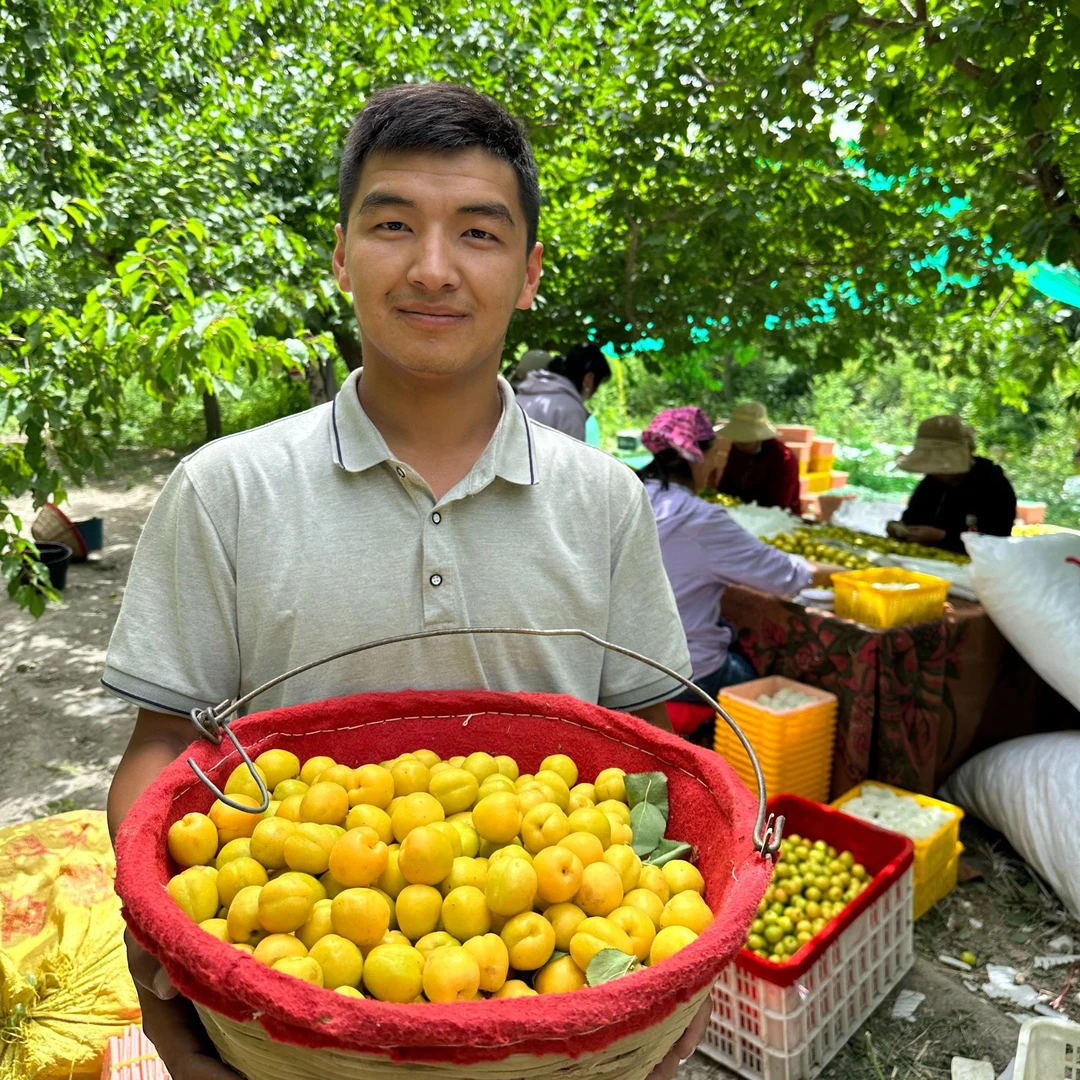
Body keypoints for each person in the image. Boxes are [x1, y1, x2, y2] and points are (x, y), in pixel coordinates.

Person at [103, 83, 703, 1080]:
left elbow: (655, 771)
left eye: (477, 231)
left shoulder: (604, 502)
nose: (433, 267)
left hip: (550, 1039)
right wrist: (168, 982)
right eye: (392, 225)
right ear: (341, 254)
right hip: (291, 1031)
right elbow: (163, 748)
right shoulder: (225, 490)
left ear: (528, 273)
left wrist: (671, 997)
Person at [639, 408, 843, 731]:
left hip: (623, 661)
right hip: (681, 672)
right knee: (763, 686)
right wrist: (832, 571)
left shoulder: (629, 496)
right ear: (700, 457)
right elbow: (783, 575)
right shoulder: (701, 520)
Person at [887, 415, 1017, 551]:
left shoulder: (992, 483)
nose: (933, 471)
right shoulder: (931, 482)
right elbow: (913, 518)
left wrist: (943, 537)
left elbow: (996, 541)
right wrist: (901, 529)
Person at [714, 401, 801, 513]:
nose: (739, 443)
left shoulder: (783, 458)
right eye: (737, 438)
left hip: (778, 519)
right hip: (737, 513)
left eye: (745, 439)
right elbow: (727, 486)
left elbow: (777, 505)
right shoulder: (737, 448)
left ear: (758, 437)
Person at [514, 341, 611, 440]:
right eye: (598, 385)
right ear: (589, 379)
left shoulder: (517, 398)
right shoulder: (570, 409)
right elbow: (572, 454)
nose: (596, 391)